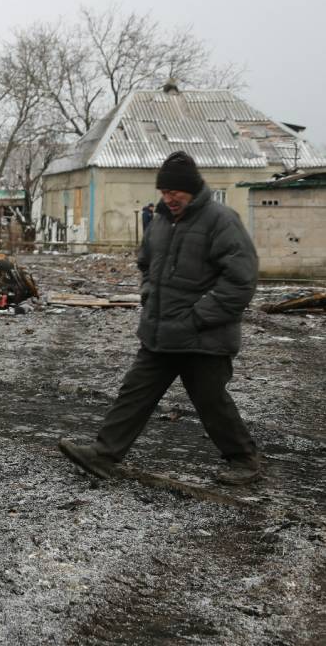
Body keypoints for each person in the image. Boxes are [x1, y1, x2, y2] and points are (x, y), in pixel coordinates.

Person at [59, 151, 262, 485]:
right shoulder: (160, 221)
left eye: (175, 192)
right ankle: (103, 455)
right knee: (134, 393)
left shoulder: (221, 220)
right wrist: (148, 293)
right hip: (160, 332)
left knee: (212, 402)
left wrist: (198, 317)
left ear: (192, 189)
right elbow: (146, 263)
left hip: (203, 337)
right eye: (165, 192)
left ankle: (244, 460)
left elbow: (241, 280)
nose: (169, 198)